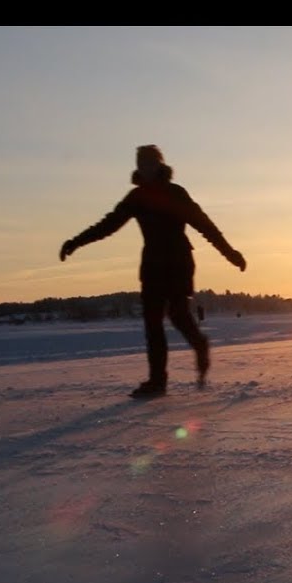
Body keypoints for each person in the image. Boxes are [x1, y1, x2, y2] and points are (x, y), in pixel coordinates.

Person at [59, 145, 247, 397]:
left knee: (179, 315)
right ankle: (157, 382)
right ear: (138, 168)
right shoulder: (136, 198)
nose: (146, 168)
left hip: (179, 261)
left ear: (159, 165)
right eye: (141, 164)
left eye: (150, 163)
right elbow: (108, 225)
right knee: (152, 322)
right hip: (151, 265)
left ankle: (199, 344)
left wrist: (230, 253)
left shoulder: (176, 193)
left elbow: (205, 225)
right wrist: (76, 242)